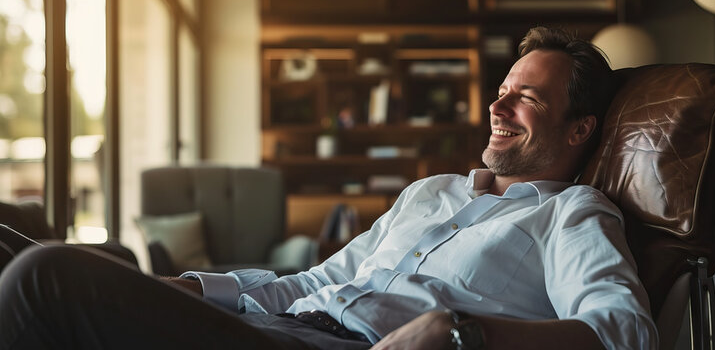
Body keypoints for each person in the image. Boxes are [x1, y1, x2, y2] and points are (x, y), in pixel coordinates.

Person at [0, 26, 657, 350]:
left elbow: (623, 328)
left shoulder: (572, 213)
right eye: (501, 92)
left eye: (526, 99)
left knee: (45, 275)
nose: (498, 107)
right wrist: (196, 287)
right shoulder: (431, 193)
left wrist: (461, 331)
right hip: (282, 325)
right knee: (20, 251)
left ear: (578, 130)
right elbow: (314, 282)